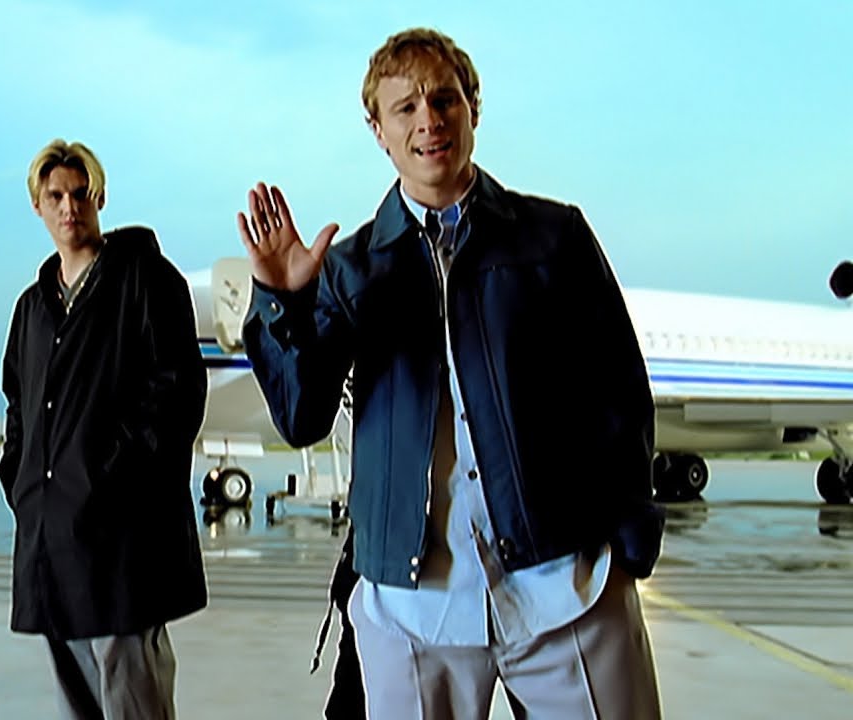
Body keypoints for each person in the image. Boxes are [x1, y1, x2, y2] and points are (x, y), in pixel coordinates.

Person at [237, 28, 664, 719]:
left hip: (566, 588)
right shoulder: (350, 269)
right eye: (405, 107)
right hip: (413, 609)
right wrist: (284, 301)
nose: (428, 120)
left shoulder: (554, 238)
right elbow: (301, 415)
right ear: (377, 129)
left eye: (444, 99)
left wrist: (630, 544)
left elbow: (617, 393)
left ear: (473, 109)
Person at [0, 139, 208, 720]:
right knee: (73, 691)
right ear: (38, 206)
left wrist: (108, 476)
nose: (70, 207)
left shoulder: (147, 280)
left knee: (130, 685)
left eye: (81, 193)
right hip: (51, 529)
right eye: (55, 196)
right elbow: (18, 403)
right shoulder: (32, 307)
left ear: (100, 198)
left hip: (121, 531)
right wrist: (20, 480)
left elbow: (175, 394)